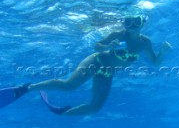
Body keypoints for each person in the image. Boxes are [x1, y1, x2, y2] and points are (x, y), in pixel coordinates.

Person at [25, 16, 171, 116]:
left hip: (107, 73)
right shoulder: (118, 35)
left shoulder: (144, 42)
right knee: (69, 86)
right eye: (128, 22)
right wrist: (108, 46)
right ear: (124, 24)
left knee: (95, 108)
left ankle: (62, 113)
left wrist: (163, 52)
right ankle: (28, 88)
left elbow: (155, 62)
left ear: (142, 23)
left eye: (136, 22)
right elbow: (97, 46)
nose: (132, 26)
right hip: (96, 62)